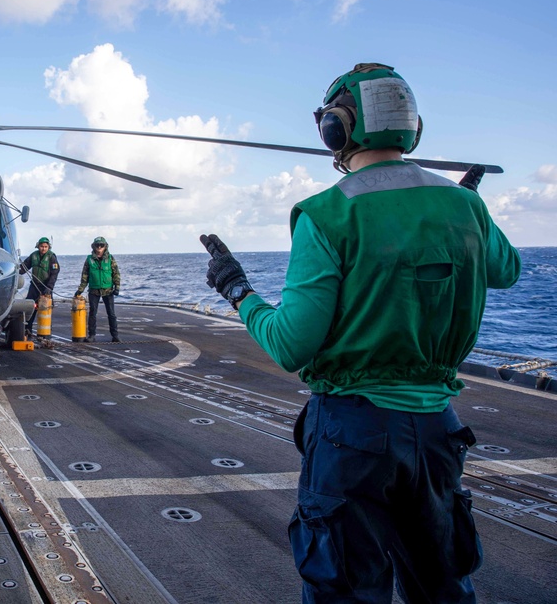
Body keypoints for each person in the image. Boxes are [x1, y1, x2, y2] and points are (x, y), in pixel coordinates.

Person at [201, 63, 521, 603]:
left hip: (353, 434)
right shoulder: (466, 207)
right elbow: (505, 271)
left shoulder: (326, 215)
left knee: (347, 589)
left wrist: (238, 291)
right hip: (439, 431)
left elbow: (290, 344)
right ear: (411, 129)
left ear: (336, 129)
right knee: (443, 587)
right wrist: (469, 212)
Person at [75, 236, 121, 342]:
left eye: (102, 245)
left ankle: (115, 335)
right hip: (94, 290)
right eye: (97, 245)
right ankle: (92, 335)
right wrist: (80, 290)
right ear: (94, 246)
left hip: (108, 290)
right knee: (92, 313)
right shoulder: (89, 260)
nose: (99, 247)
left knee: (111, 313)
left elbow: (116, 273)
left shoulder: (110, 259)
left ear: (105, 247)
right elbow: (85, 276)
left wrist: (117, 287)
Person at [19, 237, 59, 336]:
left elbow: (55, 273)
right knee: (30, 307)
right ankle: (27, 329)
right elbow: (23, 267)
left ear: (48, 247)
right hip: (34, 285)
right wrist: (15, 272)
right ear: (38, 246)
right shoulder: (33, 256)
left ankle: (46, 331)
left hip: (46, 286)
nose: (43, 249)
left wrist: (49, 287)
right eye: (42, 246)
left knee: (46, 308)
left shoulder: (52, 257)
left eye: (46, 247)